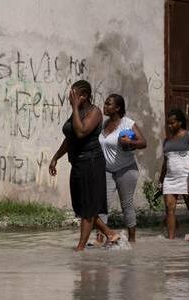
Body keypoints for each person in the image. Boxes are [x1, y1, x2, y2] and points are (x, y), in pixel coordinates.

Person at [49, 80, 120, 251]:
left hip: (91, 163)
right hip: (78, 163)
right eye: (70, 94)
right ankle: (110, 234)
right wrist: (56, 157)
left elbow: (80, 132)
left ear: (84, 96)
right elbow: (70, 138)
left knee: (88, 208)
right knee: (81, 207)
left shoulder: (94, 112)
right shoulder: (77, 112)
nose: (70, 97)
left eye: (74, 94)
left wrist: (74, 108)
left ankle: (80, 249)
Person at [97, 94, 147, 243]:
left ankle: (132, 240)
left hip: (126, 170)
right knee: (102, 204)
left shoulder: (127, 123)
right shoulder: (104, 124)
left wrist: (130, 142)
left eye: (108, 104)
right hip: (107, 170)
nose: (105, 106)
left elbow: (143, 142)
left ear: (117, 108)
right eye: (105, 104)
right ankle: (100, 238)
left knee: (126, 205)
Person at [158, 108, 189, 239]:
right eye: (168, 123)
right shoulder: (166, 141)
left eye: (172, 123)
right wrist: (161, 180)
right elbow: (165, 162)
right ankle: (171, 240)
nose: (169, 126)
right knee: (170, 209)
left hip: (186, 178)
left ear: (180, 123)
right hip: (170, 179)